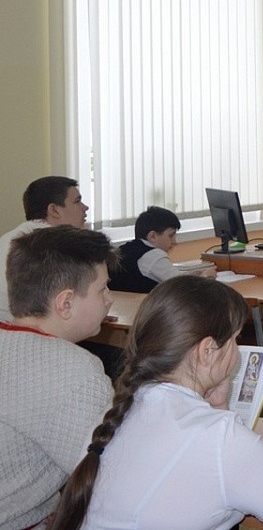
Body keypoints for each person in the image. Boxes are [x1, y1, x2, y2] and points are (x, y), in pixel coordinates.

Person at [50, 276, 263, 530]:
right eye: (235, 339)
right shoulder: (220, 438)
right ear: (207, 351)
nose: (237, 350)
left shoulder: (112, 415)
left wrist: (218, 407)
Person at [1, 226, 115, 530]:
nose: (110, 299)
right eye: (103, 289)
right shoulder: (73, 369)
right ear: (65, 303)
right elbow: (111, 476)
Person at [0, 176, 90, 322]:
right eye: (77, 201)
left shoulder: (9, 237)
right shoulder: (56, 244)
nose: (85, 208)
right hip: (24, 329)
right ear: (54, 210)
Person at [111, 206, 186, 293]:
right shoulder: (153, 255)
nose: (174, 242)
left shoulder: (126, 249)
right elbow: (183, 285)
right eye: (171, 235)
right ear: (152, 236)